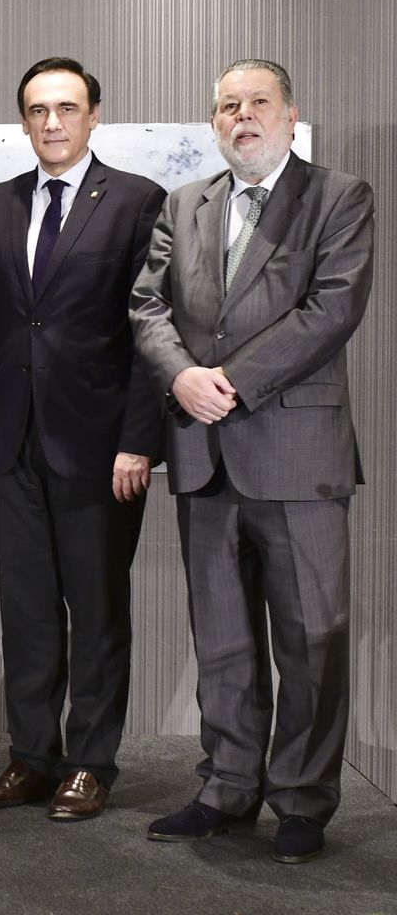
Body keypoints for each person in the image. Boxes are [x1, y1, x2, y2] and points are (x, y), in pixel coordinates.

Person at [131, 59, 373, 864]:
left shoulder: (339, 197)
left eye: (257, 103)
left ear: (289, 113)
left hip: (297, 458)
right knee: (224, 642)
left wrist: (227, 382)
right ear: (214, 121)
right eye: (228, 106)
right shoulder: (184, 203)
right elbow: (148, 305)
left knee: (310, 642)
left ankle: (302, 801)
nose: (242, 116)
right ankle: (228, 789)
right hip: (204, 459)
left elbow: (332, 309)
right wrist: (182, 375)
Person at [0, 58, 166, 819]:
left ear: (93, 115)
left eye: (67, 108)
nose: (52, 122)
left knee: (99, 610)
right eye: (38, 110)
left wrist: (139, 441)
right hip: (11, 445)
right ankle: (31, 758)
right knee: (30, 611)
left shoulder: (138, 201)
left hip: (101, 449)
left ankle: (91, 763)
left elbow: (152, 334)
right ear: (23, 121)